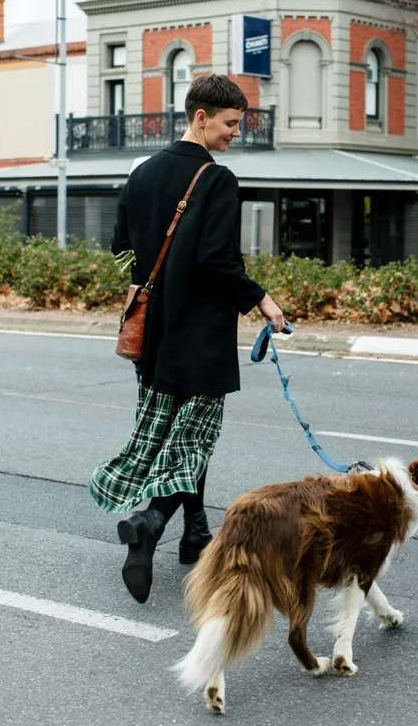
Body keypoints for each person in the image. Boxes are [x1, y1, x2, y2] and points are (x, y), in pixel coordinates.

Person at [89, 74, 286, 604]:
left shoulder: (143, 172)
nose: (234, 134)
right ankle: (150, 523)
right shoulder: (216, 179)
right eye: (228, 124)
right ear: (200, 118)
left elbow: (120, 244)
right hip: (201, 334)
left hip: (153, 333)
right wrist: (261, 300)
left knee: (176, 438)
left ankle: (195, 532)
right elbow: (216, 260)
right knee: (194, 439)